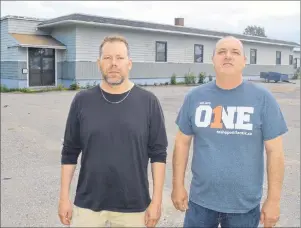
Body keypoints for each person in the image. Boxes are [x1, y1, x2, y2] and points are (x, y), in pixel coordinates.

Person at [171, 36, 287, 228]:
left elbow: (275, 151)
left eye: (235, 52)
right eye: (222, 52)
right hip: (200, 203)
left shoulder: (263, 99)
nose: (228, 56)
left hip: (244, 208)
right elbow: (182, 142)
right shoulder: (194, 97)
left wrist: (273, 200)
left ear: (244, 61)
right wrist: (177, 185)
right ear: (213, 59)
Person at [58, 35, 168, 227]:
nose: (114, 63)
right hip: (88, 205)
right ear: (99, 63)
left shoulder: (148, 102)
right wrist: (63, 197)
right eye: (107, 58)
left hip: (134, 206)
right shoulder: (82, 101)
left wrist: (156, 201)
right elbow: (69, 152)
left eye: (120, 58)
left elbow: (158, 154)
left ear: (129, 63)